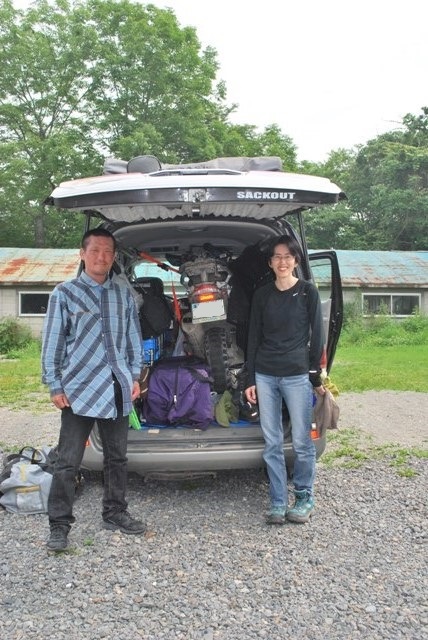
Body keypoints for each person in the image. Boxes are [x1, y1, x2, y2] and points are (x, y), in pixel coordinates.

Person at [42, 228, 146, 551]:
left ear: (114, 257)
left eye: (108, 252)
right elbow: (53, 342)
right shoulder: (64, 294)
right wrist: (54, 384)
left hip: (116, 387)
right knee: (67, 461)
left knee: (117, 458)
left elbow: (133, 339)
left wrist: (134, 377)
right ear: (82, 254)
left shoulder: (122, 295)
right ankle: (59, 525)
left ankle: (115, 512)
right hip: (78, 390)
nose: (102, 257)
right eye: (96, 250)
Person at [245, 235, 325, 525]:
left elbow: (318, 335)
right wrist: (250, 378)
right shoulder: (262, 295)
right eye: (277, 257)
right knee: (273, 444)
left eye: (287, 256)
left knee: (302, 442)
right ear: (270, 262)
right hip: (265, 375)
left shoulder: (307, 292)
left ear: (296, 261)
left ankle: (304, 497)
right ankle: (278, 502)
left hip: (296, 375)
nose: (282, 262)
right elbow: (253, 337)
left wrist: (314, 372)